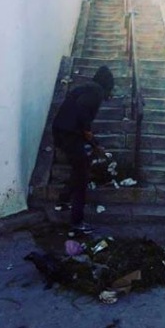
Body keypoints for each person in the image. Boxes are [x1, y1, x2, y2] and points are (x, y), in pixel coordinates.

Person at [52, 65, 114, 233]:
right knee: (82, 177)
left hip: (61, 131)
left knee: (80, 167)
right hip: (71, 134)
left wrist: (92, 141)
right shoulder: (97, 91)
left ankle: (62, 201)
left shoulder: (86, 87)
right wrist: (91, 137)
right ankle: (77, 222)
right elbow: (81, 110)